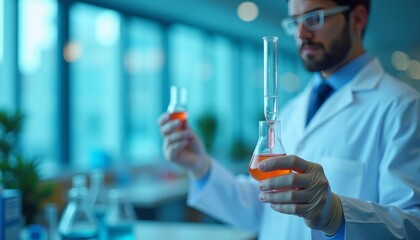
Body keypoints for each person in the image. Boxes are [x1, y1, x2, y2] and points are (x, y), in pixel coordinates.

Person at [158, 0, 420, 239]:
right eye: (294, 22)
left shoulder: (402, 106)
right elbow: (259, 205)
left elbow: (413, 225)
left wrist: (336, 215)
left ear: (358, 18)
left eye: (314, 18)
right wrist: (199, 166)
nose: (301, 34)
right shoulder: (293, 108)